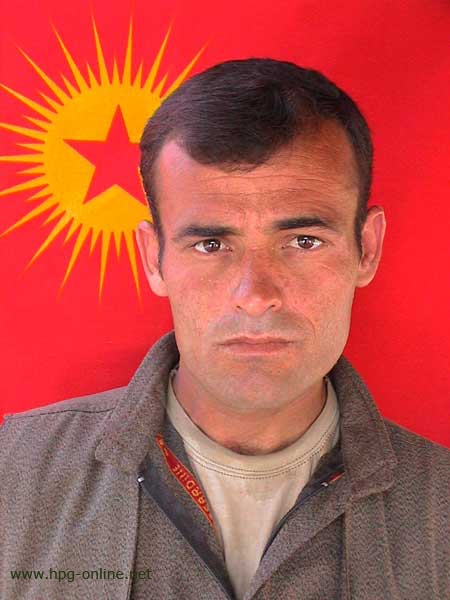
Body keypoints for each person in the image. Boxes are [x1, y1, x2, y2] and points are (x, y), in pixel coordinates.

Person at [1, 58, 449, 600]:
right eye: (211, 244)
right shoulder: (11, 474)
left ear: (367, 249)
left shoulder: (442, 504)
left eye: (303, 241)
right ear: (153, 258)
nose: (256, 296)